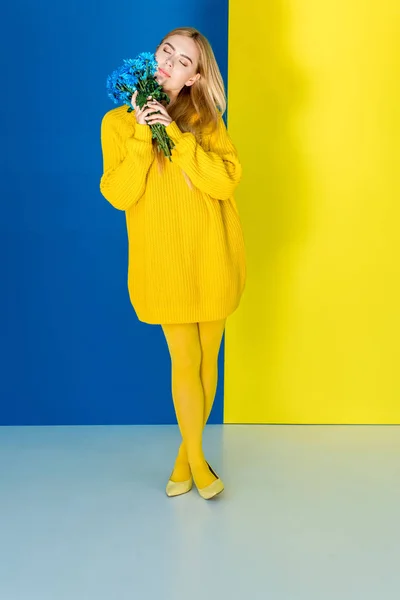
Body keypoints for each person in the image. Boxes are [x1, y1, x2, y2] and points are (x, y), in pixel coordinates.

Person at [100, 27, 246, 500]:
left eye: (183, 60)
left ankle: (186, 458)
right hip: (163, 259)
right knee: (183, 358)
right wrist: (144, 134)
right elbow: (119, 195)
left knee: (209, 359)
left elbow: (223, 183)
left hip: (211, 252)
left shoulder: (205, 120)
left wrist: (178, 138)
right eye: (167, 51)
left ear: (194, 77)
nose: (169, 62)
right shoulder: (117, 123)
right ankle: (200, 463)